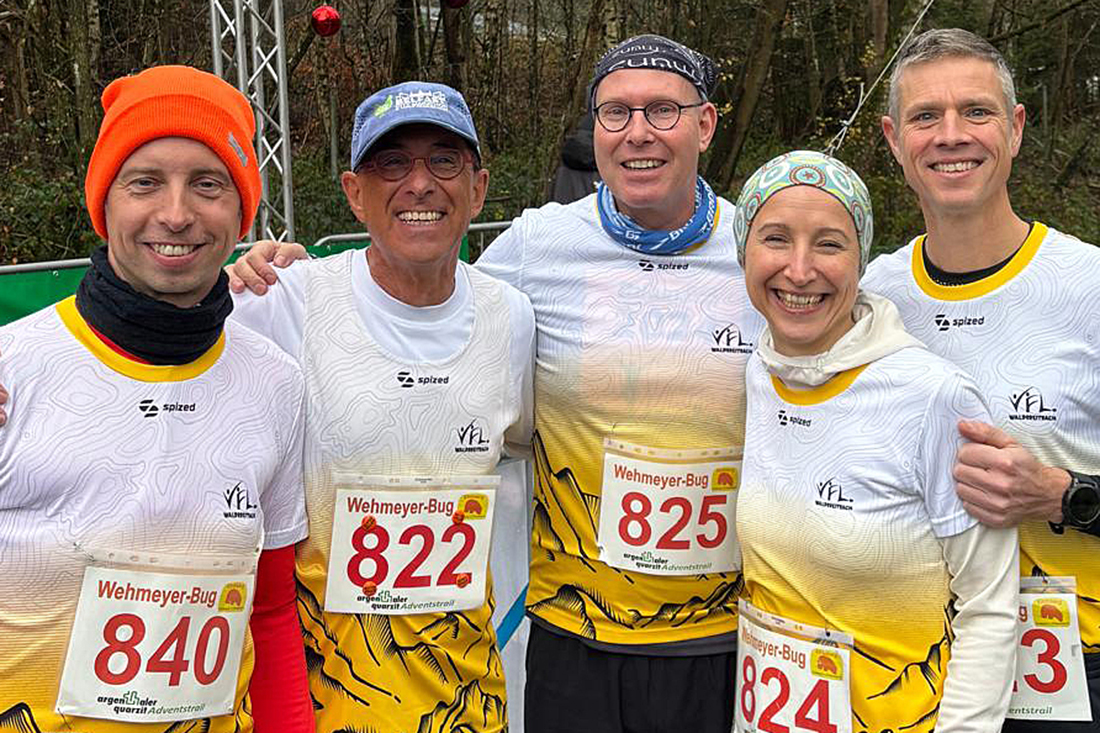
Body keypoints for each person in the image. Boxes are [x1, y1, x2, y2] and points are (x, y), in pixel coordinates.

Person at [227, 35, 762, 733]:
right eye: (616, 113)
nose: (638, 134)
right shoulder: (531, 252)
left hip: (717, 638)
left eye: (661, 111)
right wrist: (247, 275)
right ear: (354, 193)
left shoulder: (762, 249)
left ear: (705, 123)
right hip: (560, 645)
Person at [0, 66, 311, 733]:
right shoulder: (12, 370)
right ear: (104, 202)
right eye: (145, 181)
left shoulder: (277, 382)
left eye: (208, 184)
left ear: (241, 212)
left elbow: (274, 611)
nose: (176, 213)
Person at [227, 81, 535, 733]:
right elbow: (162, 365)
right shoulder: (286, 300)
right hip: (324, 703)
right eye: (391, 163)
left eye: (443, 161)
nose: (419, 183)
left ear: (478, 189)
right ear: (353, 192)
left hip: (467, 706)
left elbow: (527, 446)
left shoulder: (511, 316)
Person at [863, 28, 1100, 731]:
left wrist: (1064, 494)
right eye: (925, 116)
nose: (950, 135)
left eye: (976, 111)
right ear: (892, 139)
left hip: (1073, 670)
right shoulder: (871, 296)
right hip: (915, 667)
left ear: (1017, 128)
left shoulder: (1088, 285)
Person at [734, 149, 1018, 732]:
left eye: (830, 244)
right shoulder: (759, 371)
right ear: (742, 253)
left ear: (861, 261)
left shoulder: (933, 396)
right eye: (776, 239)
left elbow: (988, 606)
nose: (800, 269)